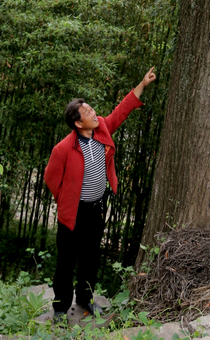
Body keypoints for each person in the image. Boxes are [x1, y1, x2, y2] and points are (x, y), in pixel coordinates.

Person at [44, 68, 157, 322]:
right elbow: (51, 179)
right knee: (66, 262)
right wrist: (67, 201)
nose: (95, 113)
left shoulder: (102, 130)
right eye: (88, 113)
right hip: (73, 214)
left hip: (97, 209)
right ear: (77, 122)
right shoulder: (63, 148)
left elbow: (121, 111)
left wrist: (142, 84)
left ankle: (84, 300)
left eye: (92, 109)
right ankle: (61, 308)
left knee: (91, 258)